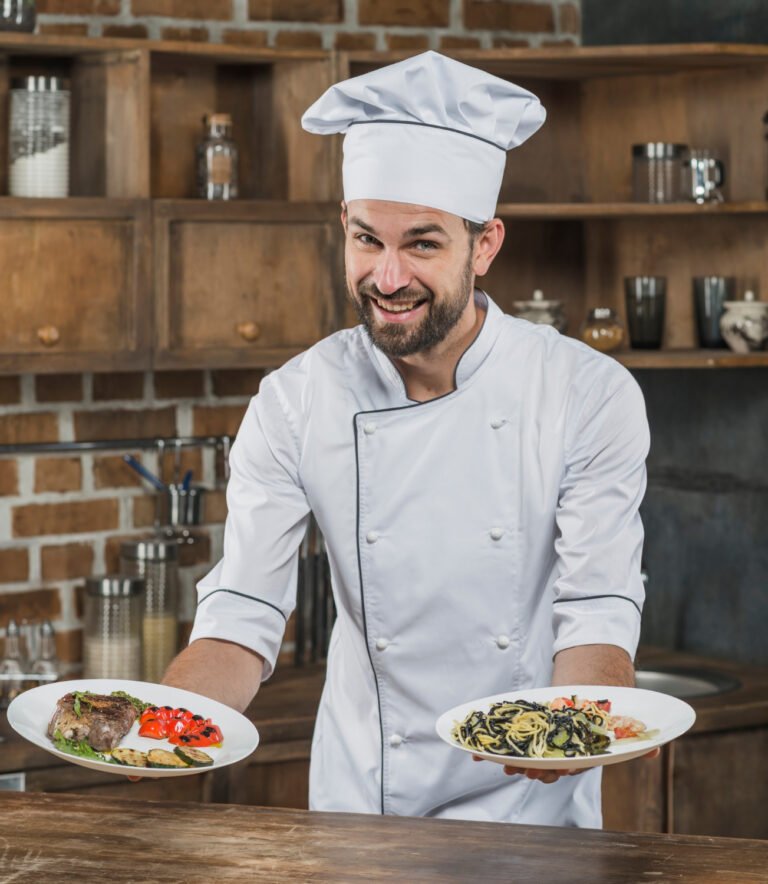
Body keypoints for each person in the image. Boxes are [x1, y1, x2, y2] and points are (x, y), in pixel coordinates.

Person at [163, 51, 652, 828]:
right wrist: (162, 726)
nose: (387, 277)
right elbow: (244, 610)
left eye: (422, 244)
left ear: (484, 246)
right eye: (366, 240)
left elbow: (595, 610)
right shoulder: (297, 400)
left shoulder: (585, 394)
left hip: (534, 814)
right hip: (364, 809)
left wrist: (582, 727)